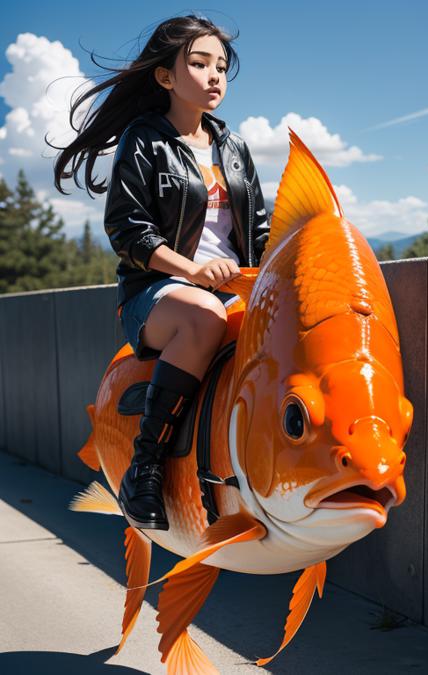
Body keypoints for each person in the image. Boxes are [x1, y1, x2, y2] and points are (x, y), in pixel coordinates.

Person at [50, 14, 270, 531]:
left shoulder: (233, 147)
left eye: (221, 66)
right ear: (165, 76)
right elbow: (130, 233)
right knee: (203, 316)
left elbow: (259, 230)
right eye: (199, 63)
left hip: (230, 286)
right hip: (160, 293)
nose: (215, 75)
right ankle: (144, 467)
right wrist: (193, 272)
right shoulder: (144, 140)